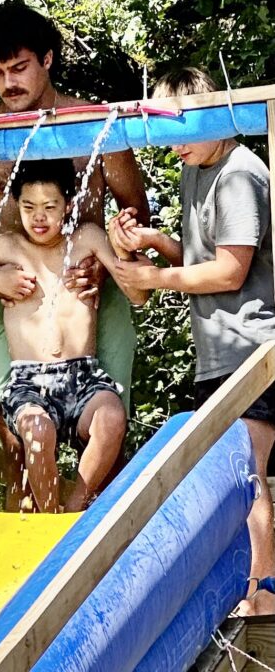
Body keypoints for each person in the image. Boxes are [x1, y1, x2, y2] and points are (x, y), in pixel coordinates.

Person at [0, 0, 150, 510]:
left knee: (108, 434)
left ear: (48, 59)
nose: (8, 84)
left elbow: (135, 209)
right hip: (15, 303)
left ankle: (95, 532)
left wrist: (107, 265)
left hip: (93, 297)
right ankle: (36, 542)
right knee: (17, 442)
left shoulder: (96, 124)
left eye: (19, 68)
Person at [110, 66, 275, 616]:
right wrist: (155, 241)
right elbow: (202, 259)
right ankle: (241, 590)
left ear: (209, 117)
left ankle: (263, 594)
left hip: (253, 352)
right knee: (226, 477)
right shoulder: (195, 169)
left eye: (178, 132)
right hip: (216, 357)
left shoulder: (239, 174)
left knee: (246, 471)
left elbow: (230, 270)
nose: (171, 146)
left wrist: (154, 277)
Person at [0, 159, 149, 512]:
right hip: (29, 380)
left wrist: (120, 258)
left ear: (68, 205)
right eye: (29, 208)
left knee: (112, 421)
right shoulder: (5, 248)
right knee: (31, 438)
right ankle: (49, 518)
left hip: (84, 374)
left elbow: (139, 293)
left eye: (49, 207)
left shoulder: (87, 239)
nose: (39, 217)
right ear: (16, 204)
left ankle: (75, 510)